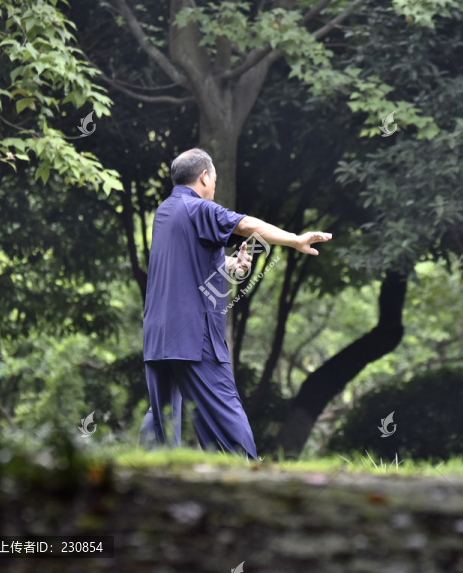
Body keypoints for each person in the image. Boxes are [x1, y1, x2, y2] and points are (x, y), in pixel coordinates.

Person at [138, 148, 332, 460]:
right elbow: (247, 225)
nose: (214, 185)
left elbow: (187, 262)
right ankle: (248, 473)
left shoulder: (165, 212)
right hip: (192, 336)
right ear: (204, 177)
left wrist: (230, 266)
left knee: (161, 420)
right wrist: (295, 239)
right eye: (214, 178)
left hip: (158, 336)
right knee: (225, 409)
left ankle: (143, 481)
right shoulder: (199, 208)